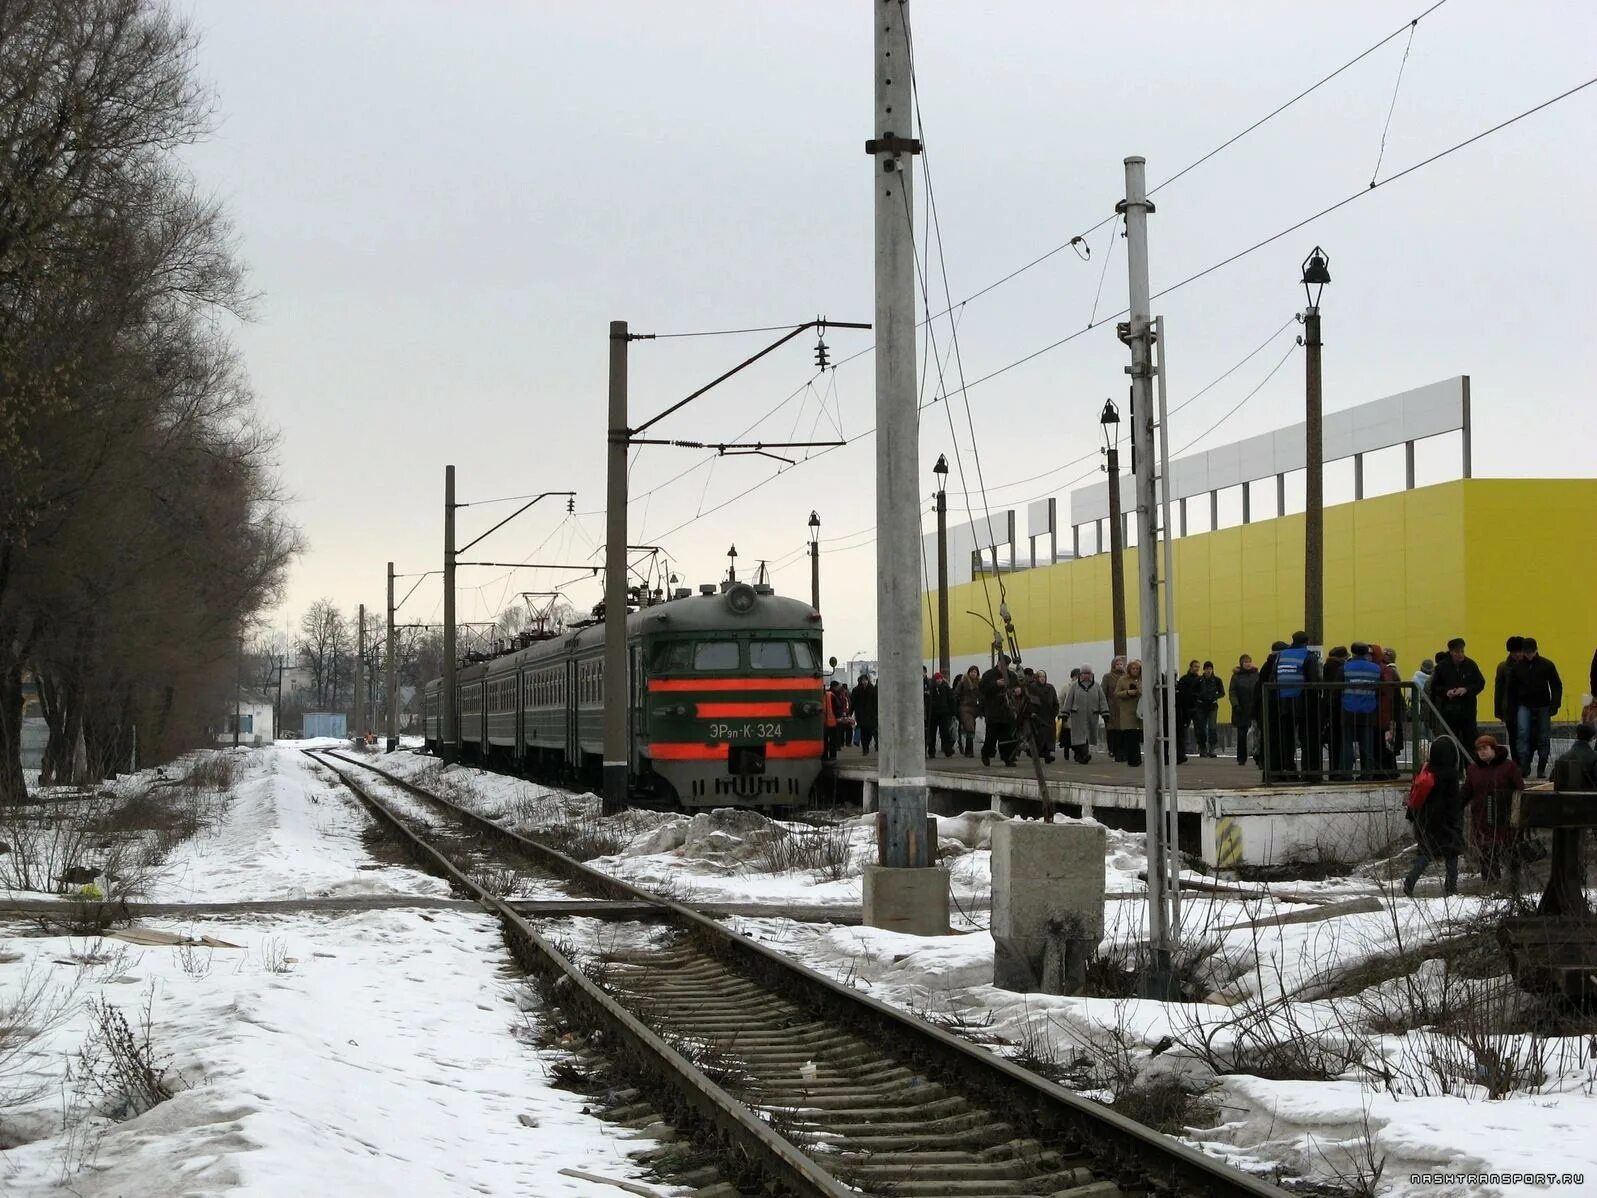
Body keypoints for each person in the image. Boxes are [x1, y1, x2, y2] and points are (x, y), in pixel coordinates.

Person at [1404, 735, 1465, 897]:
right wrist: (1456, 823)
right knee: (1452, 853)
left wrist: (1412, 815)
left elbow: (1415, 793)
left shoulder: (1426, 769)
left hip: (1425, 821)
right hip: (1445, 822)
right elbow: (1453, 801)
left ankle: (1410, 880)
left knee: (1426, 854)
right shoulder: (1451, 774)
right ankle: (1451, 887)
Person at [1461, 733, 1524, 884]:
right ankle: (1491, 885)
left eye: (1485, 748)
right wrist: (1454, 807)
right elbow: (1466, 793)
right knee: (1487, 855)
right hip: (1482, 820)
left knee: (1511, 851)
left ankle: (1515, 884)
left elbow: (1520, 790)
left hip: (1505, 819)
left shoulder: (1509, 767)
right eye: (1479, 749)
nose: (1482, 751)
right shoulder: (1473, 770)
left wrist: (1517, 813)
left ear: (1493, 749)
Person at [1510, 637, 1562, 779]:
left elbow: (1556, 686)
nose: (1529, 655)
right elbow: (1511, 691)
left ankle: (1541, 767)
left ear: (1536, 650)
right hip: (1524, 705)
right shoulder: (1517, 668)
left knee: (1544, 736)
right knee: (1522, 734)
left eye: (1531, 652)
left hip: (1543, 705)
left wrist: (1554, 704)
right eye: (1527, 652)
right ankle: (1524, 765)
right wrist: (1512, 709)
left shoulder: (1547, 665)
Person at [1428, 637, 1486, 746]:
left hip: (1468, 710)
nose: (1460, 654)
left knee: (1470, 740)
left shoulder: (1471, 665)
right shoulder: (1442, 667)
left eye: (1462, 651)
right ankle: (1454, 761)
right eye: (1457, 652)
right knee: (1451, 741)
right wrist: (1447, 692)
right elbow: (1434, 687)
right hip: (1450, 710)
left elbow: (1480, 683)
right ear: (1451, 652)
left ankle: (1469, 762)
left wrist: (1466, 689)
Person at [1340, 643, 1383, 779]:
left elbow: (1337, 689)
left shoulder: (1345, 668)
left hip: (1348, 708)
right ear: (1366, 653)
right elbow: (1380, 689)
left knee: (1346, 743)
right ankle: (1367, 774)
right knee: (1367, 743)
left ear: (1352, 652)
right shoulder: (1375, 669)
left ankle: (1346, 774)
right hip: (1368, 709)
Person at [1062, 667, 1109, 764]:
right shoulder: (1074, 686)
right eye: (1084, 673)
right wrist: (1065, 713)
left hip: (1092, 715)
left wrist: (1105, 713)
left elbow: (1102, 700)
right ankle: (1083, 755)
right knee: (1079, 736)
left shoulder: (1096, 686)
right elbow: (1068, 700)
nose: (1086, 675)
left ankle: (1082, 755)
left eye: (1088, 673)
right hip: (1077, 715)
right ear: (1081, 674)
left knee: (1087, 736)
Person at [980, 655, 1018, 767]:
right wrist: (996, 684)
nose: (1004, 667)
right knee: (991, 736)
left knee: (1007, 736)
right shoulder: (989, 674)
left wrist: (1017, 690)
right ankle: (986, 754)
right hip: (993, 710)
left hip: (1007, 711)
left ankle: (1007, 757)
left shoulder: (1011, 675)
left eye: (1006, 666)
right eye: (1003, 665)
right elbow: (982, 688)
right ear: (998, 664)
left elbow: (1016, 686)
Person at [1494, 637, 1526, 765]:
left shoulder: (1530, 665)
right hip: (1510, 708)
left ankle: (1525, 761)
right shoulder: (1503, 667)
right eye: (1515, 652)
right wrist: (1498, 711)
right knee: (1513, 738)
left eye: (1520, 651)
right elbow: (1499, 690)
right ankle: (1517, 763)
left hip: (1527, 706)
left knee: (1527, 736)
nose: (1518, 655)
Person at [1228, 654, 1261, 766]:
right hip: (1241, 709)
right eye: (1245, 662)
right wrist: (1235, 705)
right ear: (1241, 664)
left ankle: (1258, 756)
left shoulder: (1257, 675)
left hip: (1255, 708)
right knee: (1242, 735)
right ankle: (1241, 758)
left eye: (1249, 661)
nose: (1248, 663)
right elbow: (1232, 692)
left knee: (1258, 734)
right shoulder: (1236, 677)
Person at [1321, 646, 1349, 777]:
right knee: (1340, 740)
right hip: (1338, 708)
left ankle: (1334, 770)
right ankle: (1339, 770)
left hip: (1328, 708)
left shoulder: (1327, 666)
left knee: (1333, 741)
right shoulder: (1340, 668)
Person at [1115, 661, 1144, 768]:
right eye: (1133, 668)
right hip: (1127, 711)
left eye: (1137, 668)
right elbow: (1117, 693)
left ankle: (1138, 759)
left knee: (1138, 735)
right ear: (1129, 669)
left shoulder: (1142, 679)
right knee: (1130, 735)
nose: (1135, 670)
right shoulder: (1123, 680)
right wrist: (1127, 692)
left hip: (1140, 710)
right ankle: (1133, 760)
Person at [1194, 661, 1224, 758]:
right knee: (1201, 728)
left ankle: (1212, 747)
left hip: (1212, 707)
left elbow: (1222, 692)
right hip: (1201, 706)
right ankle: (1202, 747)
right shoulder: (1199, 680)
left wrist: (1215, 697)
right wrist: (1199, 698)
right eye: (1207, 669)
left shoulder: (1217, 680)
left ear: (1212, 669)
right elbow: (1193, 692)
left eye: (1210, 669)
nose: (1208, 671)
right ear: (1204, 669)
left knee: (1212, 727)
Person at [1174, 661, 1202, 761]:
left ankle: (1202, 749)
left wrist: (1198, 698)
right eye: (1195, 666)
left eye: (1198, 667)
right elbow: (1182, 694)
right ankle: (1184, 750)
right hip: (1186, 707)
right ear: (1190, 667)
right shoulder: (1184, 679)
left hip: (1196, 707)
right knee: (1184, 730)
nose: (1196, 669)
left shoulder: (1200, 680)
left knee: (1200, 728)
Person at [1102, 655, 1127, 762]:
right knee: (1112, 730)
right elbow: (1103, 692)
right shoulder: (1108, 677)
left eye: (1121, 664)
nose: (1119, 666)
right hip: (1111, 707)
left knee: (1123, 730)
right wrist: (1104, 708)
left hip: (1124, 707)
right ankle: (1112, 750)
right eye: (1117, 664)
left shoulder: (1126, 676)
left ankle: (1123, 751)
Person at [953, 665, 981, 758]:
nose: (973, 673)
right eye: (972, 672)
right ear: (969, 673)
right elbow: (956, 692)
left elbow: (981, 694)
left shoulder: (978, 682)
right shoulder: (963, 681)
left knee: (971, 727)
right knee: (970, 728)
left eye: (975, 672)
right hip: (965, 707)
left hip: (974, 708)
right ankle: (969, 751)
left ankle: (968, 749)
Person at [1032, 669, 1059, 765]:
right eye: (1040, 677)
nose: (1042, 679)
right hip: (1038, 717)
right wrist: (1033, 712)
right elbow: (1031, 702)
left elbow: (1055, 701)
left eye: (1044, 676)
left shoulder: (1050, 688)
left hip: (1049, 716)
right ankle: (1039, 754)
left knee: (1049, 737)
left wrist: (1055, 712)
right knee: (1040, 737)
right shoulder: (1033, 688)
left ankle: (1048, 755)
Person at [928, 671, 956, 757]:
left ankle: (948, 750)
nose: (939, 680)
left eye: (940, 678)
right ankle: (931, 751)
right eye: (937, 679)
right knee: (932, 733)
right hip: (933, 713)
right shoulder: (931, 688)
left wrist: (952, 712)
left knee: (945, 732)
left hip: (944, 713)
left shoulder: (946, 687)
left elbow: (951, 700)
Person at [850, 673, 878, 755]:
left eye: (865, 680)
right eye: (863, 680)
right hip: (860, 714)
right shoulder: (856, 690)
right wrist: (850, 713)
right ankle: (865, 749)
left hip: (871, 714)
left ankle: (867, 745)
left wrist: (876, 713)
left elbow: (875, 702)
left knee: (869, 732)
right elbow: (853, 703)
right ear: (860, 681)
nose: (864, 682)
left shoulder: (872, 689)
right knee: (863, 732)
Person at [1059, 668, 1081, 757]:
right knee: (1067, 735)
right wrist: (1061, 713)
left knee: (1078, 735)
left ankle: (1078, 753)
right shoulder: (1066, 688)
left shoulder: (1082, 687)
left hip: (1079, 715)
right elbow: (1061, 700)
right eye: (1076, 677)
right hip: (1068, 715)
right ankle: (1066, 750)